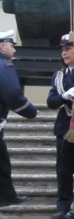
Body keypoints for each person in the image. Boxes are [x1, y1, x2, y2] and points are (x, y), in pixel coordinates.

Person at [46, 33, 74, 219]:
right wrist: (64, 96)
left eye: (68, 48)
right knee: (64, 170)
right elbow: (51, 101)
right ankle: (63, 205)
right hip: (66, 127)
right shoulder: (59, 76)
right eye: (62, 50)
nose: (64, 53)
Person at [0, 31, 38, 209]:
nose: (14, 51)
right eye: (12, 46)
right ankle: (6, 196)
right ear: (2, 47)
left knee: (2, 161)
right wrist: (30, 111)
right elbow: (12, 93)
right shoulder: (4, 64)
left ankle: (6, 196)